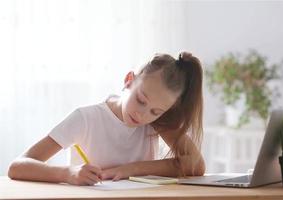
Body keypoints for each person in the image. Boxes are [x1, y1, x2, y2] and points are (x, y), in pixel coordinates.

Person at [8, 52, 205, 186]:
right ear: (129, 80)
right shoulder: (85, 118)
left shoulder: (155, 122)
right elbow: (17, 167)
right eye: (141, 100)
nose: (142, 115)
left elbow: (196, 165)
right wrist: (68, 174)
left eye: (156, 111)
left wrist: (132, 169)